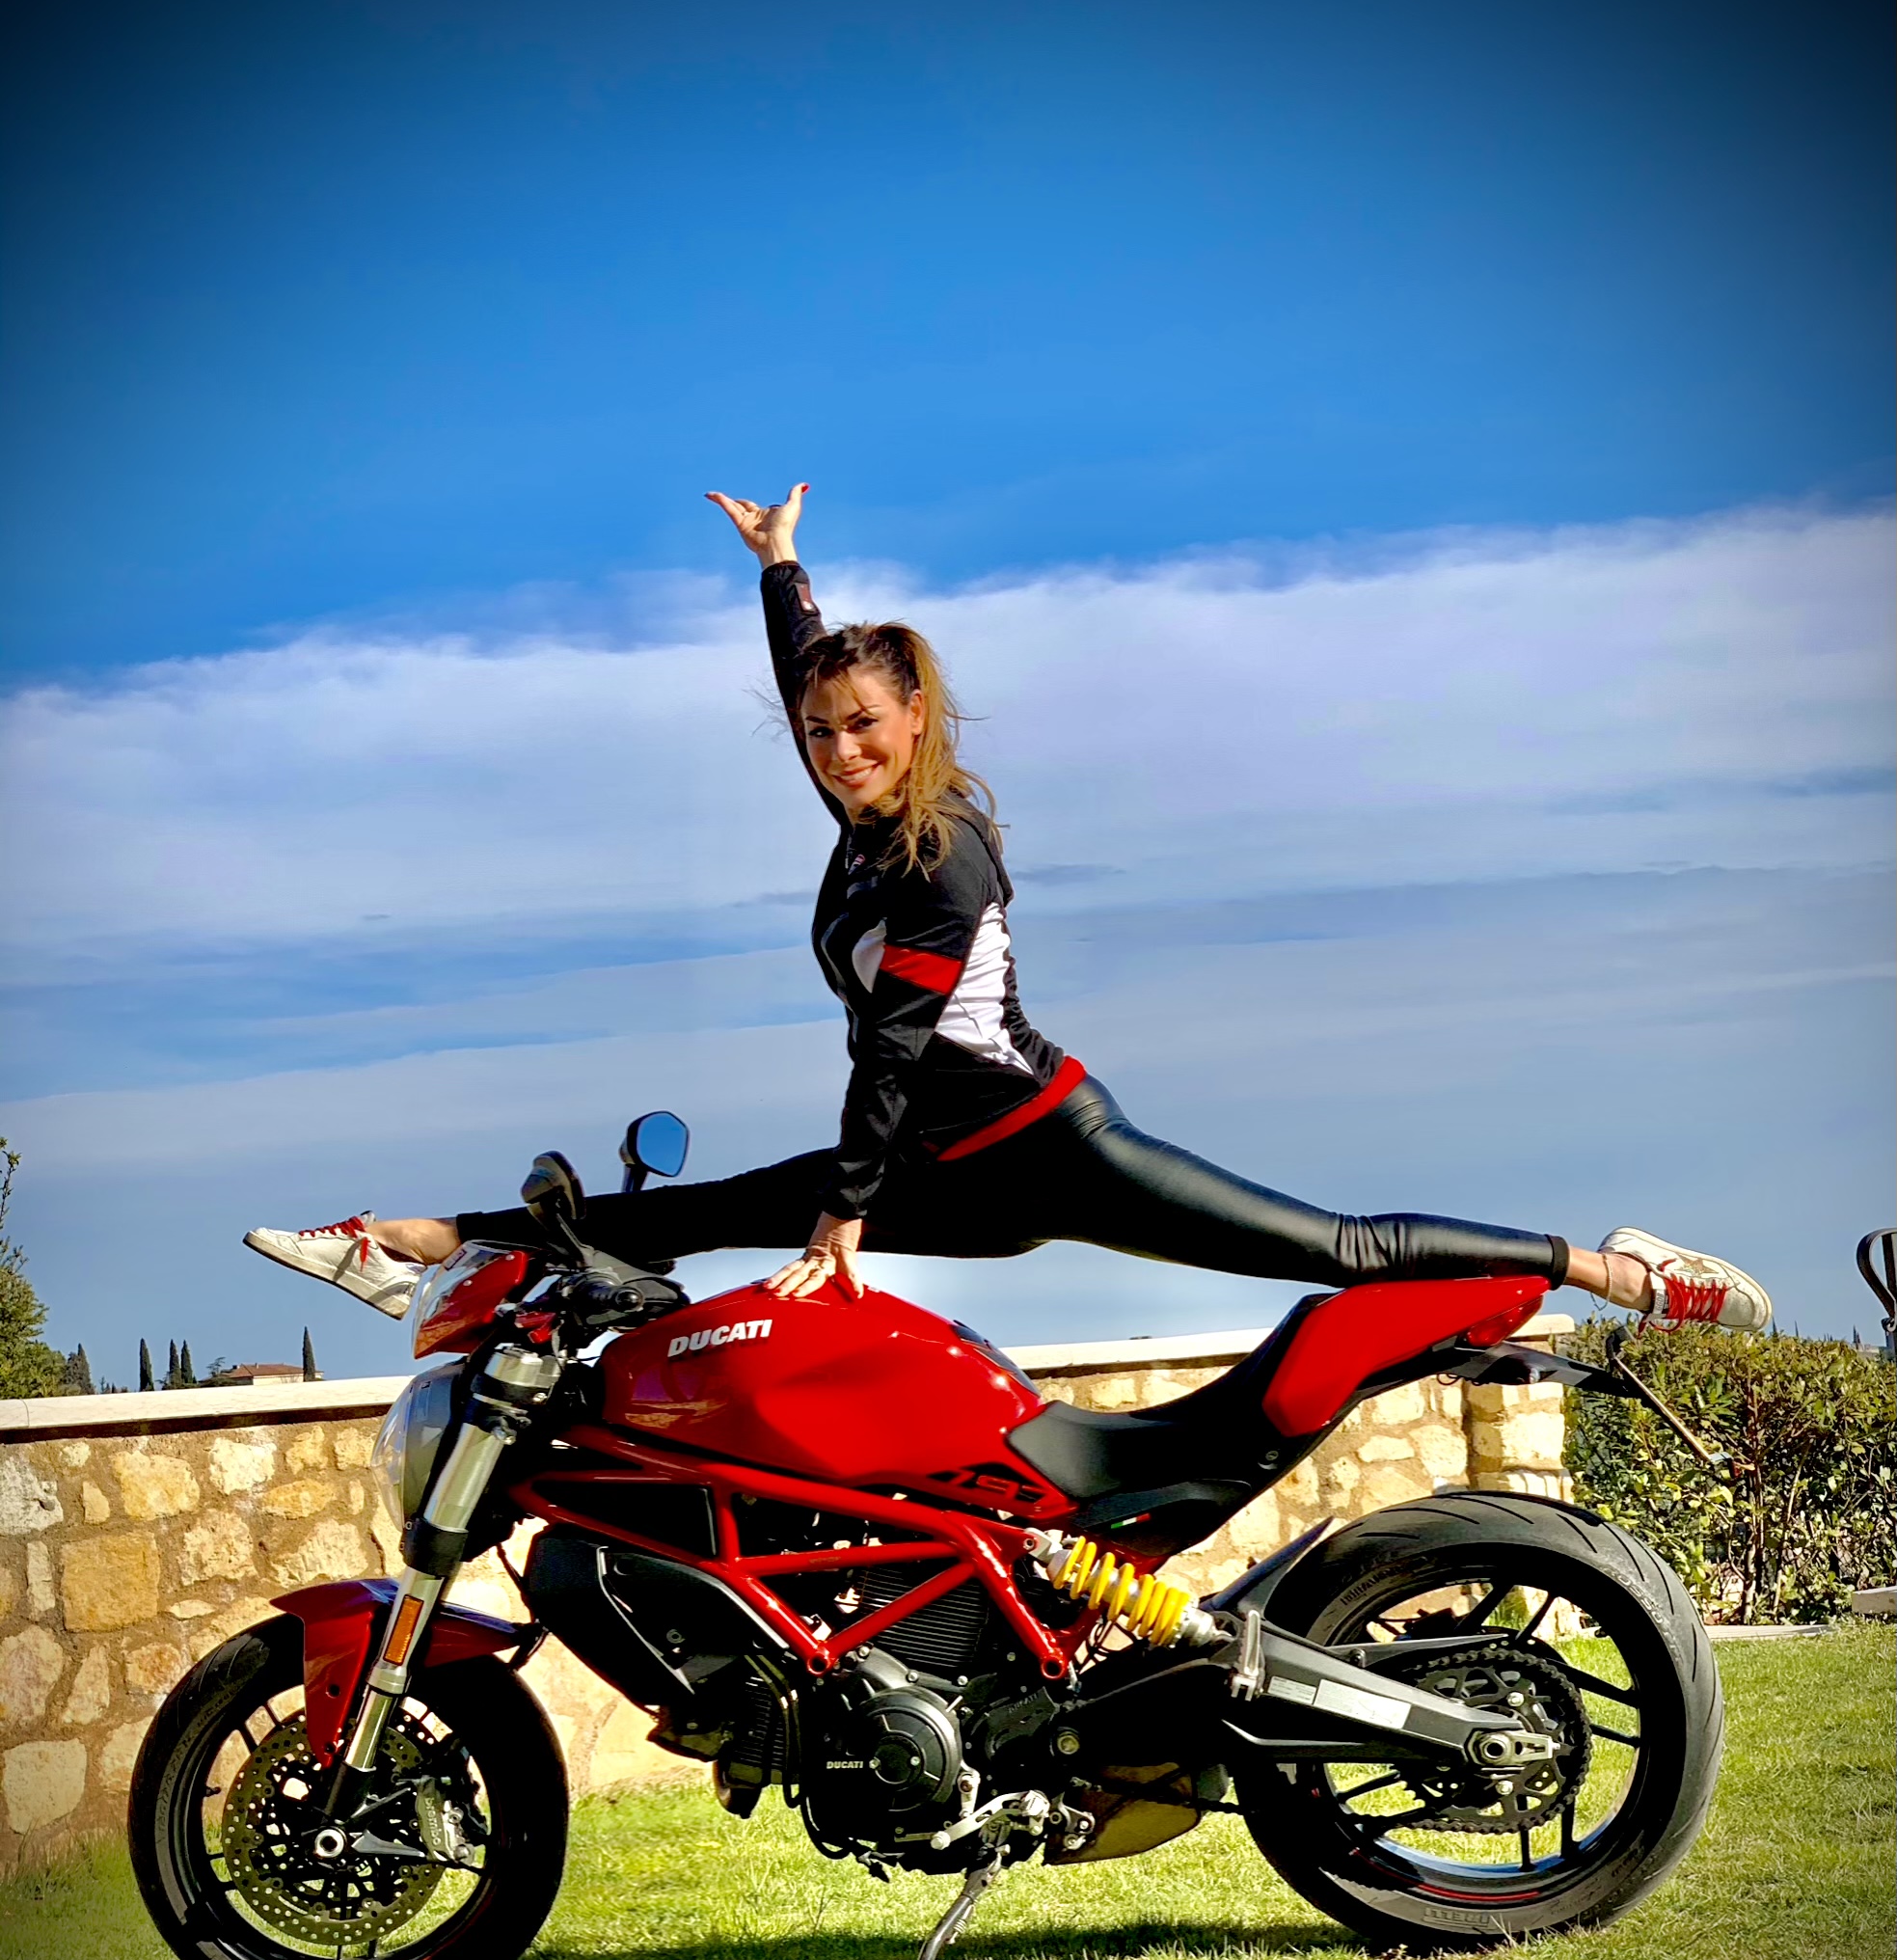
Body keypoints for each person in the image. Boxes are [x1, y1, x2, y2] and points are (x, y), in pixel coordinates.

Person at [246, 483, 1771, 1336]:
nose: (838, 749)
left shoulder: (940, 856)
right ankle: (413, 1239)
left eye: (864, 728)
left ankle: (1611, 1267)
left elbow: (896, 1047)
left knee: (1332, 1248)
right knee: (698, 1214)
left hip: (1052, 1146)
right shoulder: (859, 825)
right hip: (939, 1171)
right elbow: (808, 674)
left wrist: (846, 1216)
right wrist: (783, 570)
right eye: (820, 734)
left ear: (916, 722)